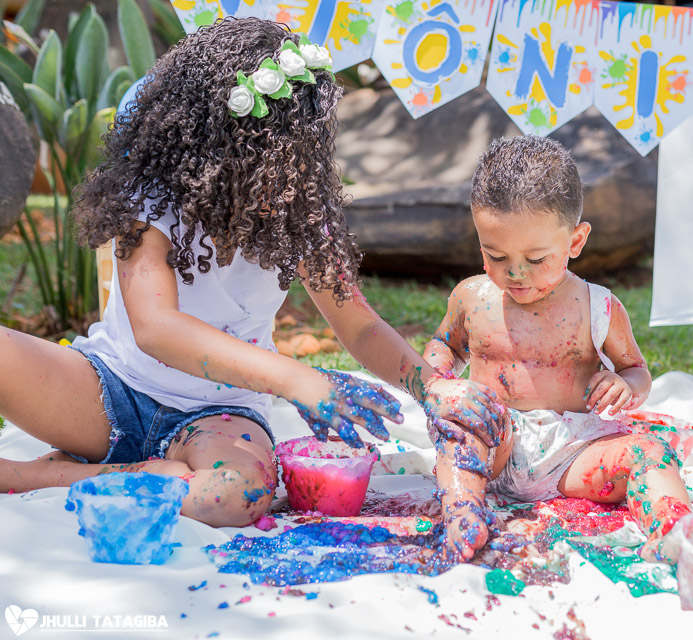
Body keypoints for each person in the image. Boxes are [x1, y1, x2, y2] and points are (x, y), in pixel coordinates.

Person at [0, 17, 504, 528]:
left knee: (233, 495)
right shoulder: (151, 200)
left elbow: (361, 324)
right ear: (212, 148)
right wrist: (298, 381)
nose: (290, 179)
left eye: (302, 160)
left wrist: (430, 386)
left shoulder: (296, 211)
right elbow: (156, 329)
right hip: (111, 390)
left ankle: (39, 476)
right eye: (271, 163)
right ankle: (151, 474)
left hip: (218, 419)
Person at [424, 136, 693, 562]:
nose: (515, 273)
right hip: (494, 447)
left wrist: (625, 386)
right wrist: (438, 377)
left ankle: (673, 528)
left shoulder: (597, 306)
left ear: (575, 242)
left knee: (651, 452)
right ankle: (463, 512)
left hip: (573, 453)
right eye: (495, 255)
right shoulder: (472, 298)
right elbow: (445, 347)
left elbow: (636, 370)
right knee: (460, 427)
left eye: (535, 259)